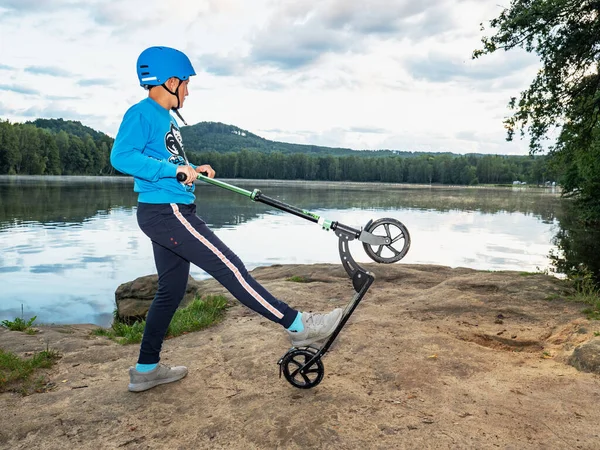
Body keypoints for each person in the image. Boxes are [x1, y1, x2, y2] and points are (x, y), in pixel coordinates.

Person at [110, 46, 343, 393]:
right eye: (185, 84)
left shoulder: (165, 119)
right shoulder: (142, 113)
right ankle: (298, 325)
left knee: (170, 292)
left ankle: (146, 369)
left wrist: (192, 170)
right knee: (231, 267)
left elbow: (166, 162)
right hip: (166, 211)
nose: (188, 92)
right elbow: (122, 156)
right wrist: (172, 171)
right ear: (170, 81)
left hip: (169, 210)